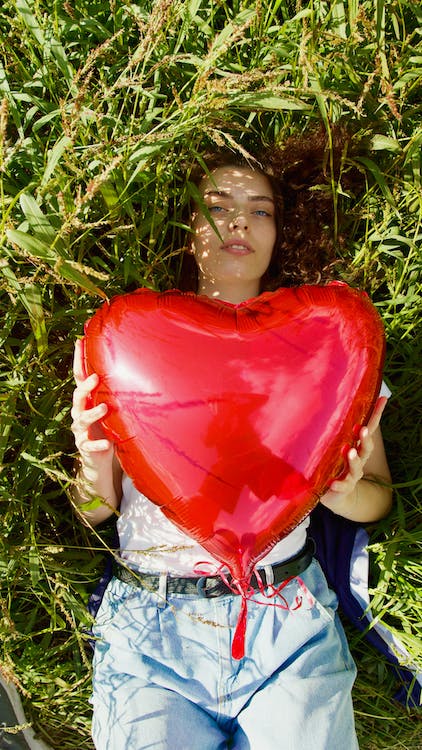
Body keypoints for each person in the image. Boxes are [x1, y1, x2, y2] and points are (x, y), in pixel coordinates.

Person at [71, 132, 392, 749]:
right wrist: (92, 462)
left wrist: (339, 490)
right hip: (150, 631)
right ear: (187, 226)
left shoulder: (330, 342)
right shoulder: (123, 343)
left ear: (280, 231)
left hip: (287, 623)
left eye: (260, 210)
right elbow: (95, 512)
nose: (239, 221)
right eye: (217, 206)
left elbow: (376, 499)